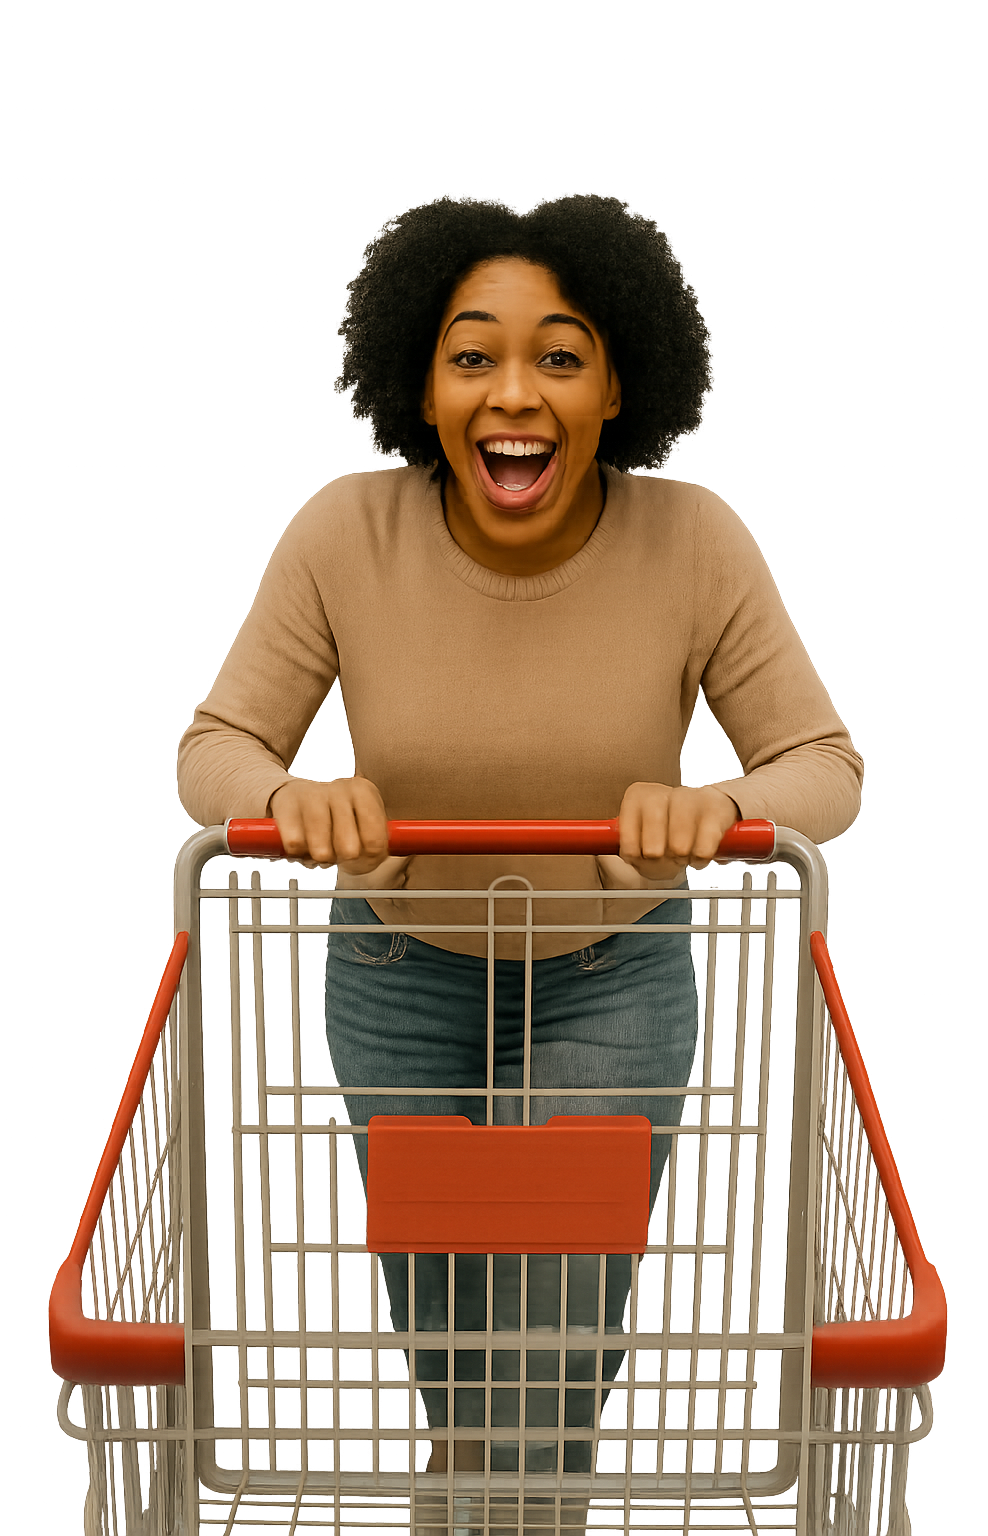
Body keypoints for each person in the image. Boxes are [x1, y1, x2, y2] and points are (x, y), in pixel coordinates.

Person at [177, 198, 862, 1476]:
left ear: (615, 390)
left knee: (561, 1307)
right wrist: (284, 801)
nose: (515, 394)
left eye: (560, 355)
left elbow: (826, 765)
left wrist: (717, 810)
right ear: (424, 390)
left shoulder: (695, 542)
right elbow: (213, 745)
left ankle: (528, 1497)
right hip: (392, 976)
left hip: (619, 975)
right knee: (434, 1297)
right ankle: (465, 1482)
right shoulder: (343, 536)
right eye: (472, 354)